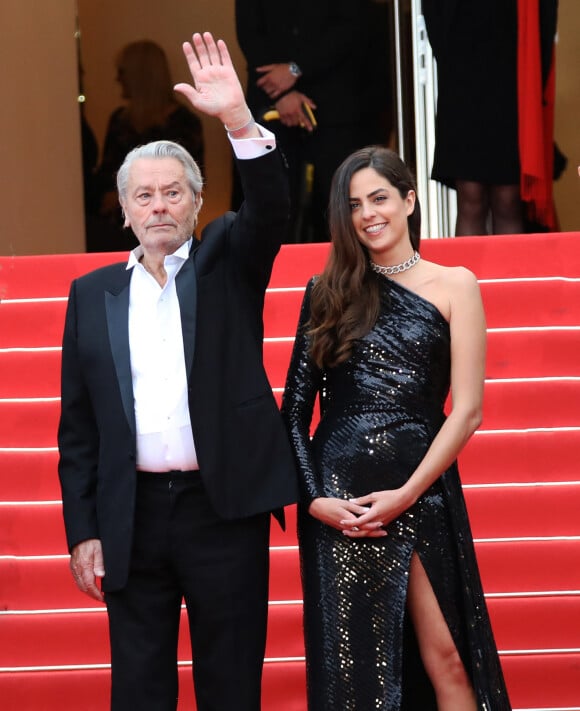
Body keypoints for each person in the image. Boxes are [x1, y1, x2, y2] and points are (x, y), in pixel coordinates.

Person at [58, 31, 298, 711]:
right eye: (143, 196)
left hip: (221, 510)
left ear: (196, 203)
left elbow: (271, 210)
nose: (157, 206)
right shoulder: (92, 294)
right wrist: (83, 529)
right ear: (125, 209)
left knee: (229, 687)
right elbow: (77, 430)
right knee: (139, 689)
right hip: (131, 514)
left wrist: (236, 119)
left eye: (171, 193)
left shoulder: (228, 260)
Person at [281, 146, 511, 709]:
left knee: (449, 660)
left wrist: (408, 494)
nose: (368, 214)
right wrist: (315, 502)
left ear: (409, 199)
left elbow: (467, 412)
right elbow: (292, 412)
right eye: (355, 204)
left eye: (379, 197)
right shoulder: (326, 292)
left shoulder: (457, 285)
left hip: (420, 493)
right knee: (355, 681)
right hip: (341, 506)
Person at [234, 0, 383, 243]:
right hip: (270, 104)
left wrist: (296, 69)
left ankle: (349, 279)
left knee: (342, 204)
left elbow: (354, 25)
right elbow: (250, 31)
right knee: (274, 207)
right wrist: (281, 93)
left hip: (336, 107)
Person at [423, 0, 558, 236]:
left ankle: (509, 274)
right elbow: (435, 14)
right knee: (470, 197)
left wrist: (536, 82)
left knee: (508, 199)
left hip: (515, 83)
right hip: (463, 82)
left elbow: (545, 19)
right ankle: (467, 275)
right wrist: (452, 63)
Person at [90, 39, 205, 251]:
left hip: (170, 233)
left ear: (139, 75)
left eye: (122, 72)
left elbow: (191, 181)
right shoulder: (119, 120)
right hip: (118, 230)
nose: (117, 79)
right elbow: (107, 174)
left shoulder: (184, 123)